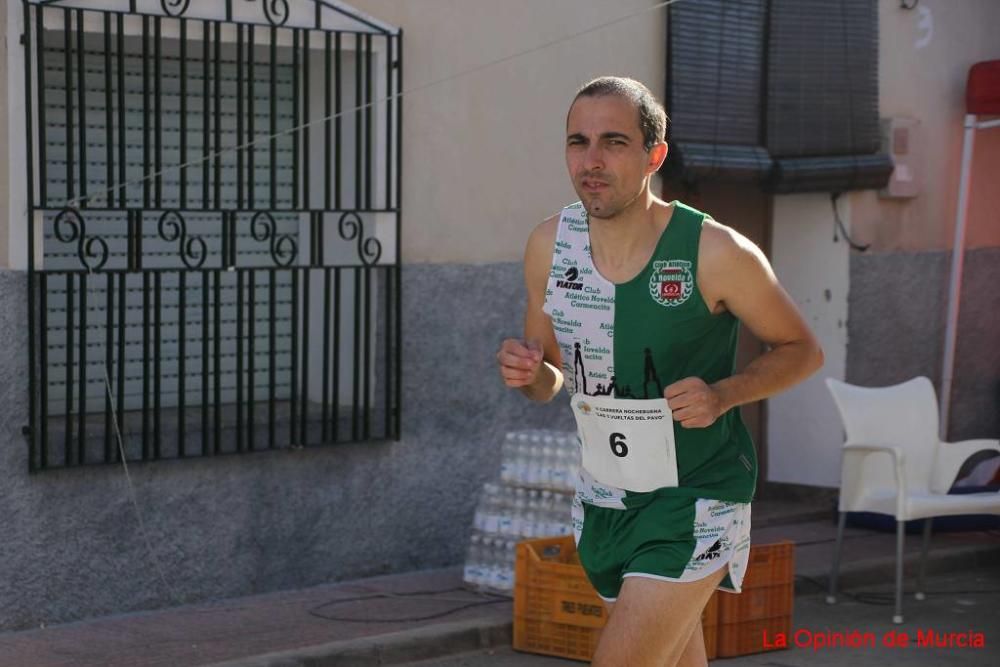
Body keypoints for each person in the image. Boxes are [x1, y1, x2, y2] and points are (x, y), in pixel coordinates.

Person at [495, 76, 823, 667]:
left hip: (696, 499)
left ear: (655, 155)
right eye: (578, 141)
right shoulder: (551, 245)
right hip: (605, 500)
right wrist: (528, 371)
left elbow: (802, 349)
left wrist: (724, 394)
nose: (591, 161)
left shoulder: (715, 251)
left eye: (614, 142)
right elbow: (550, 376)